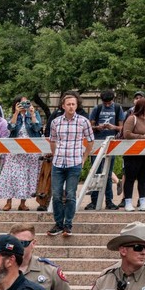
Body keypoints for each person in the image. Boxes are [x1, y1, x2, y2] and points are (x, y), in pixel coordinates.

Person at [48, 94, 94, 237]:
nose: (71, 107)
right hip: (59, 162)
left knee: (70, 194)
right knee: (56, 194)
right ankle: (58, 223)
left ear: (77, 105)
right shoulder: (56, 122)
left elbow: (91, 141)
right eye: (68, 104)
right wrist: (55, 154)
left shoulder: (83, 121)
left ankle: (68, 224)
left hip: (74, 162)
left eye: (73, 104)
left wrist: (84, 157)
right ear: (63, 106)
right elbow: (52, 140)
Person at [0, 97, 45, 212]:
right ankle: (8, 202)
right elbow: (11, 127)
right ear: (16, 104)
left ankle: (22, 203)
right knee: (10, 175)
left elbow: (37, 128)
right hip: (15, 150)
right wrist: (16, 113)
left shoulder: (33, 114)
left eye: (26, 103)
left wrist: (33, 114)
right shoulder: (14, 115)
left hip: (31, 150)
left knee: (27, 175)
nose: (24, 105)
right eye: (21, 103)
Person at [120, 96, 145, 211]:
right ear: (144, 107)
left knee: (143, 179)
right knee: (130, 178)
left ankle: (143, 202)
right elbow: (126, 134)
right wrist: (143, 137)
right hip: (132, 154)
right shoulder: (132, 119)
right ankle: (128, 202)